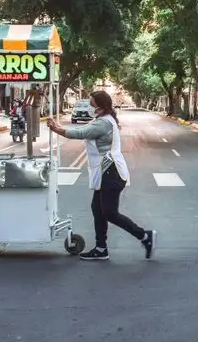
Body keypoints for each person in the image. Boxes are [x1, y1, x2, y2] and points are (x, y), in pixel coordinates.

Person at [46, 91, 156, 261]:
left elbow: (80, 133)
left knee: (109, 213)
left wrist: (56, 129)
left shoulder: (104, 123)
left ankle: (144, 236)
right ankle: (101, 248)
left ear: (101, 106)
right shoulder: (102, 120)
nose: (90, 108)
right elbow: (84, 130)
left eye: (92, 105)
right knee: (97, 210)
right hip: (105, 172)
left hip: (111, 172)